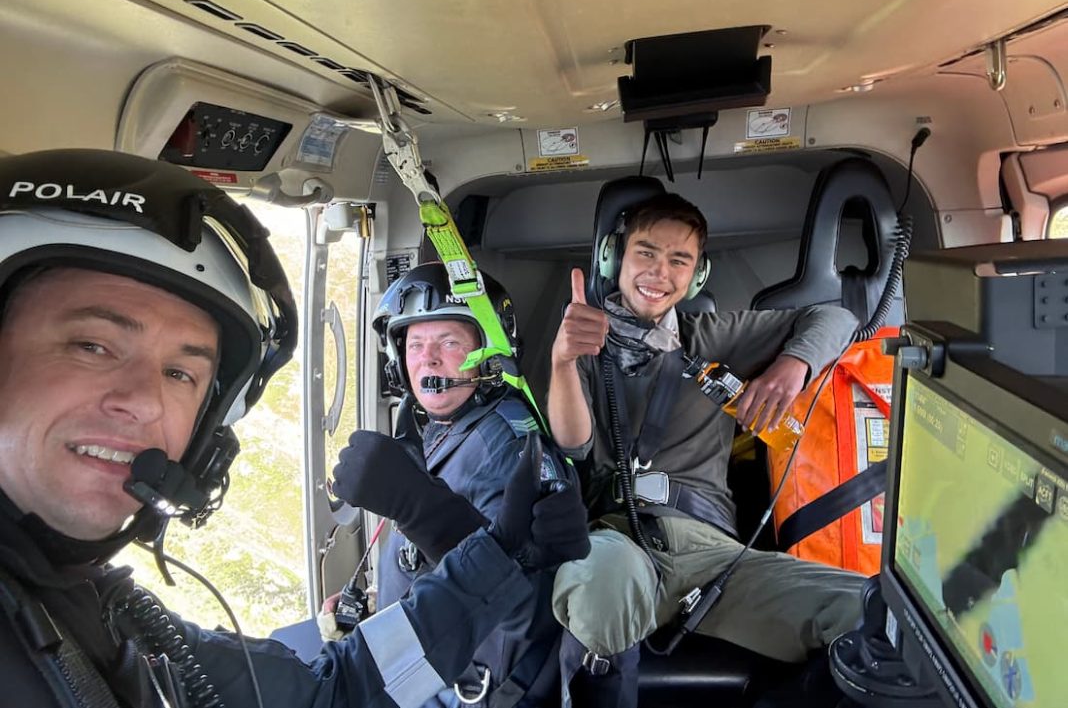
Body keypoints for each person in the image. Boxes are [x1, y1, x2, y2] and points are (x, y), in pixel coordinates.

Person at [0, 148, 589, 708]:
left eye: (181, 371)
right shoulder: (423, 433)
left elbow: (352, 689)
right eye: (91, 346)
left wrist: (457, 532)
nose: (141, 402)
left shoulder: (94, 604)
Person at [548, 191, 866, 707]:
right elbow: (573, 444)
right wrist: (563, 362)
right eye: (646, 253)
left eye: (680, 260)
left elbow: (838, 318)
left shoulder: (715, 336)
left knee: (871, 612)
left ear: (697, 276)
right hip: (622, 540)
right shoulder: (583, 338)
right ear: (614, 258)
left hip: (718, 558)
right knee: (600, 582)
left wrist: (792, 365)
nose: (660, 272)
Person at [327, 263, 569, 707]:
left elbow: (526, 608)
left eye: (449, 342)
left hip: (468, 688)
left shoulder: (506, 446)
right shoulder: (443, 430)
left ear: (490, 352)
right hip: (426, 662)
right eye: (415, 344)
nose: (429, 359)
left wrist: (418, 507)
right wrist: (378, 603)